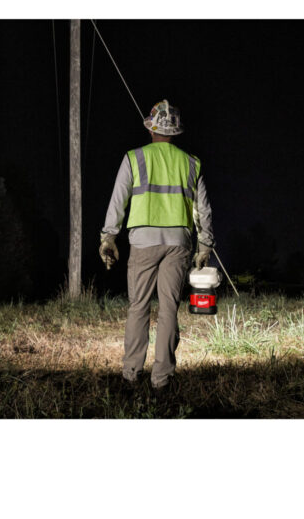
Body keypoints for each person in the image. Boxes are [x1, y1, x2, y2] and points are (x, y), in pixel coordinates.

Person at [99, 99, 215, 390]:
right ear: (176, 132)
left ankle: (131, 374)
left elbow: (118, 200)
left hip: (143, 241)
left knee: (138, 307)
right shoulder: (191, 163)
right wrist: (205, 245)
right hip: (178, 242)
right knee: (168, 309)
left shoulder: (134, 158)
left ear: (151, 129)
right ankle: (162, 379)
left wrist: (109, 236)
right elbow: (203, 210)